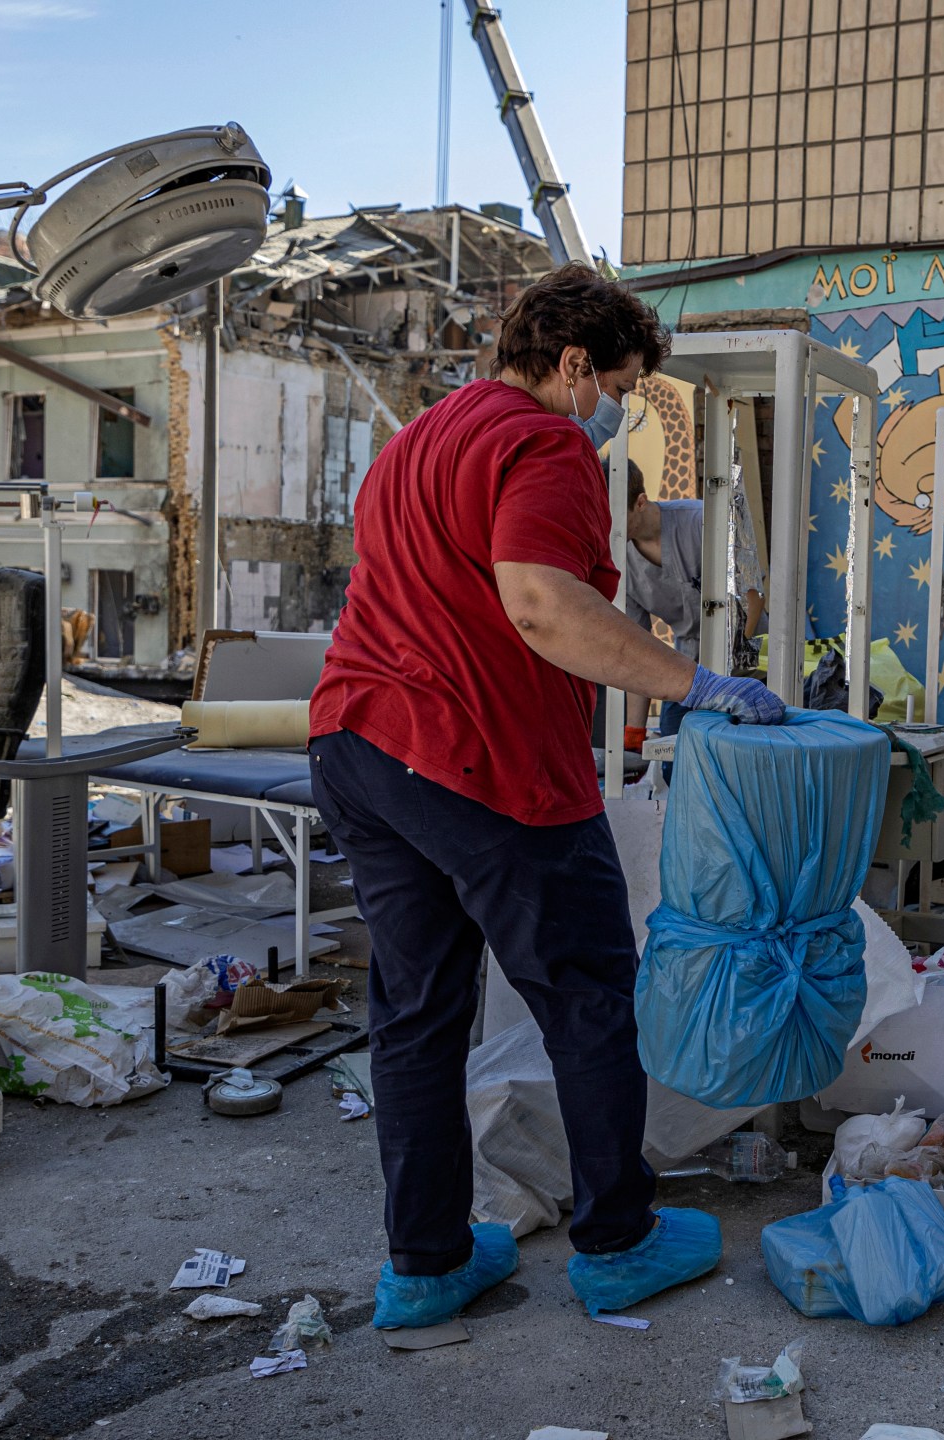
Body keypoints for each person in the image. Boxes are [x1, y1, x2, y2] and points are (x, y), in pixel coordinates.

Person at [306, 264, 785, 1331]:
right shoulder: (545, 440)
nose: (611, 408)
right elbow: (538, 601)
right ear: (573, 365)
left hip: (358, 745)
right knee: (586, 995)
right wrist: (693, 682)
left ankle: (424, 1265)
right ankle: (619, 1241)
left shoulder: (417, 441)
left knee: (418, 1015)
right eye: (614, 384)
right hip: (479, 759)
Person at [620, 461, 766, 741]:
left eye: (614, 515)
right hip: (690, 668)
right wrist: (634, 731)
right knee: (673, 753)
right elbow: (634, 646)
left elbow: (753, 596)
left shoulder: (702, 521)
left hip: (747, 661)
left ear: (640, 502)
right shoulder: (618, 557)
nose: (606, 526)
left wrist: (733, 668)